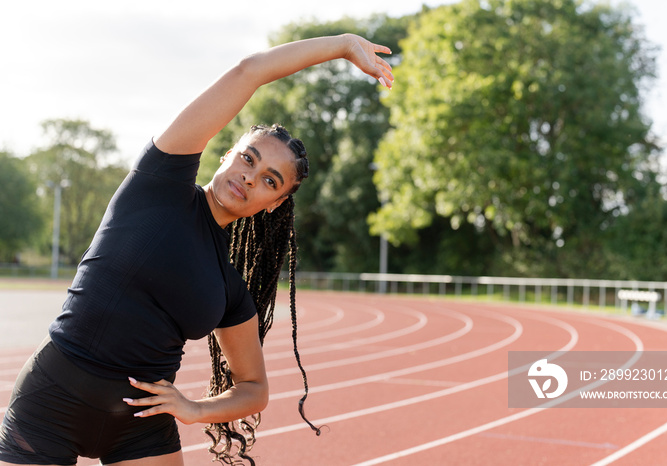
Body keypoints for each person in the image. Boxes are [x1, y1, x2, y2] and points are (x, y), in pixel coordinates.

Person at [0, 33, 393, 466]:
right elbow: (250, 72)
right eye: (249, 159)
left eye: (269, 180)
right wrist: (339, 46)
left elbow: (254, 388)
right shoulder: (159, 181)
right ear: (226, 153)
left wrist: (194, 409)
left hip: (141, 428)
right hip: (51, 402)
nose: (250, 177)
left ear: (275, 203)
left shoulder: (229, 287)